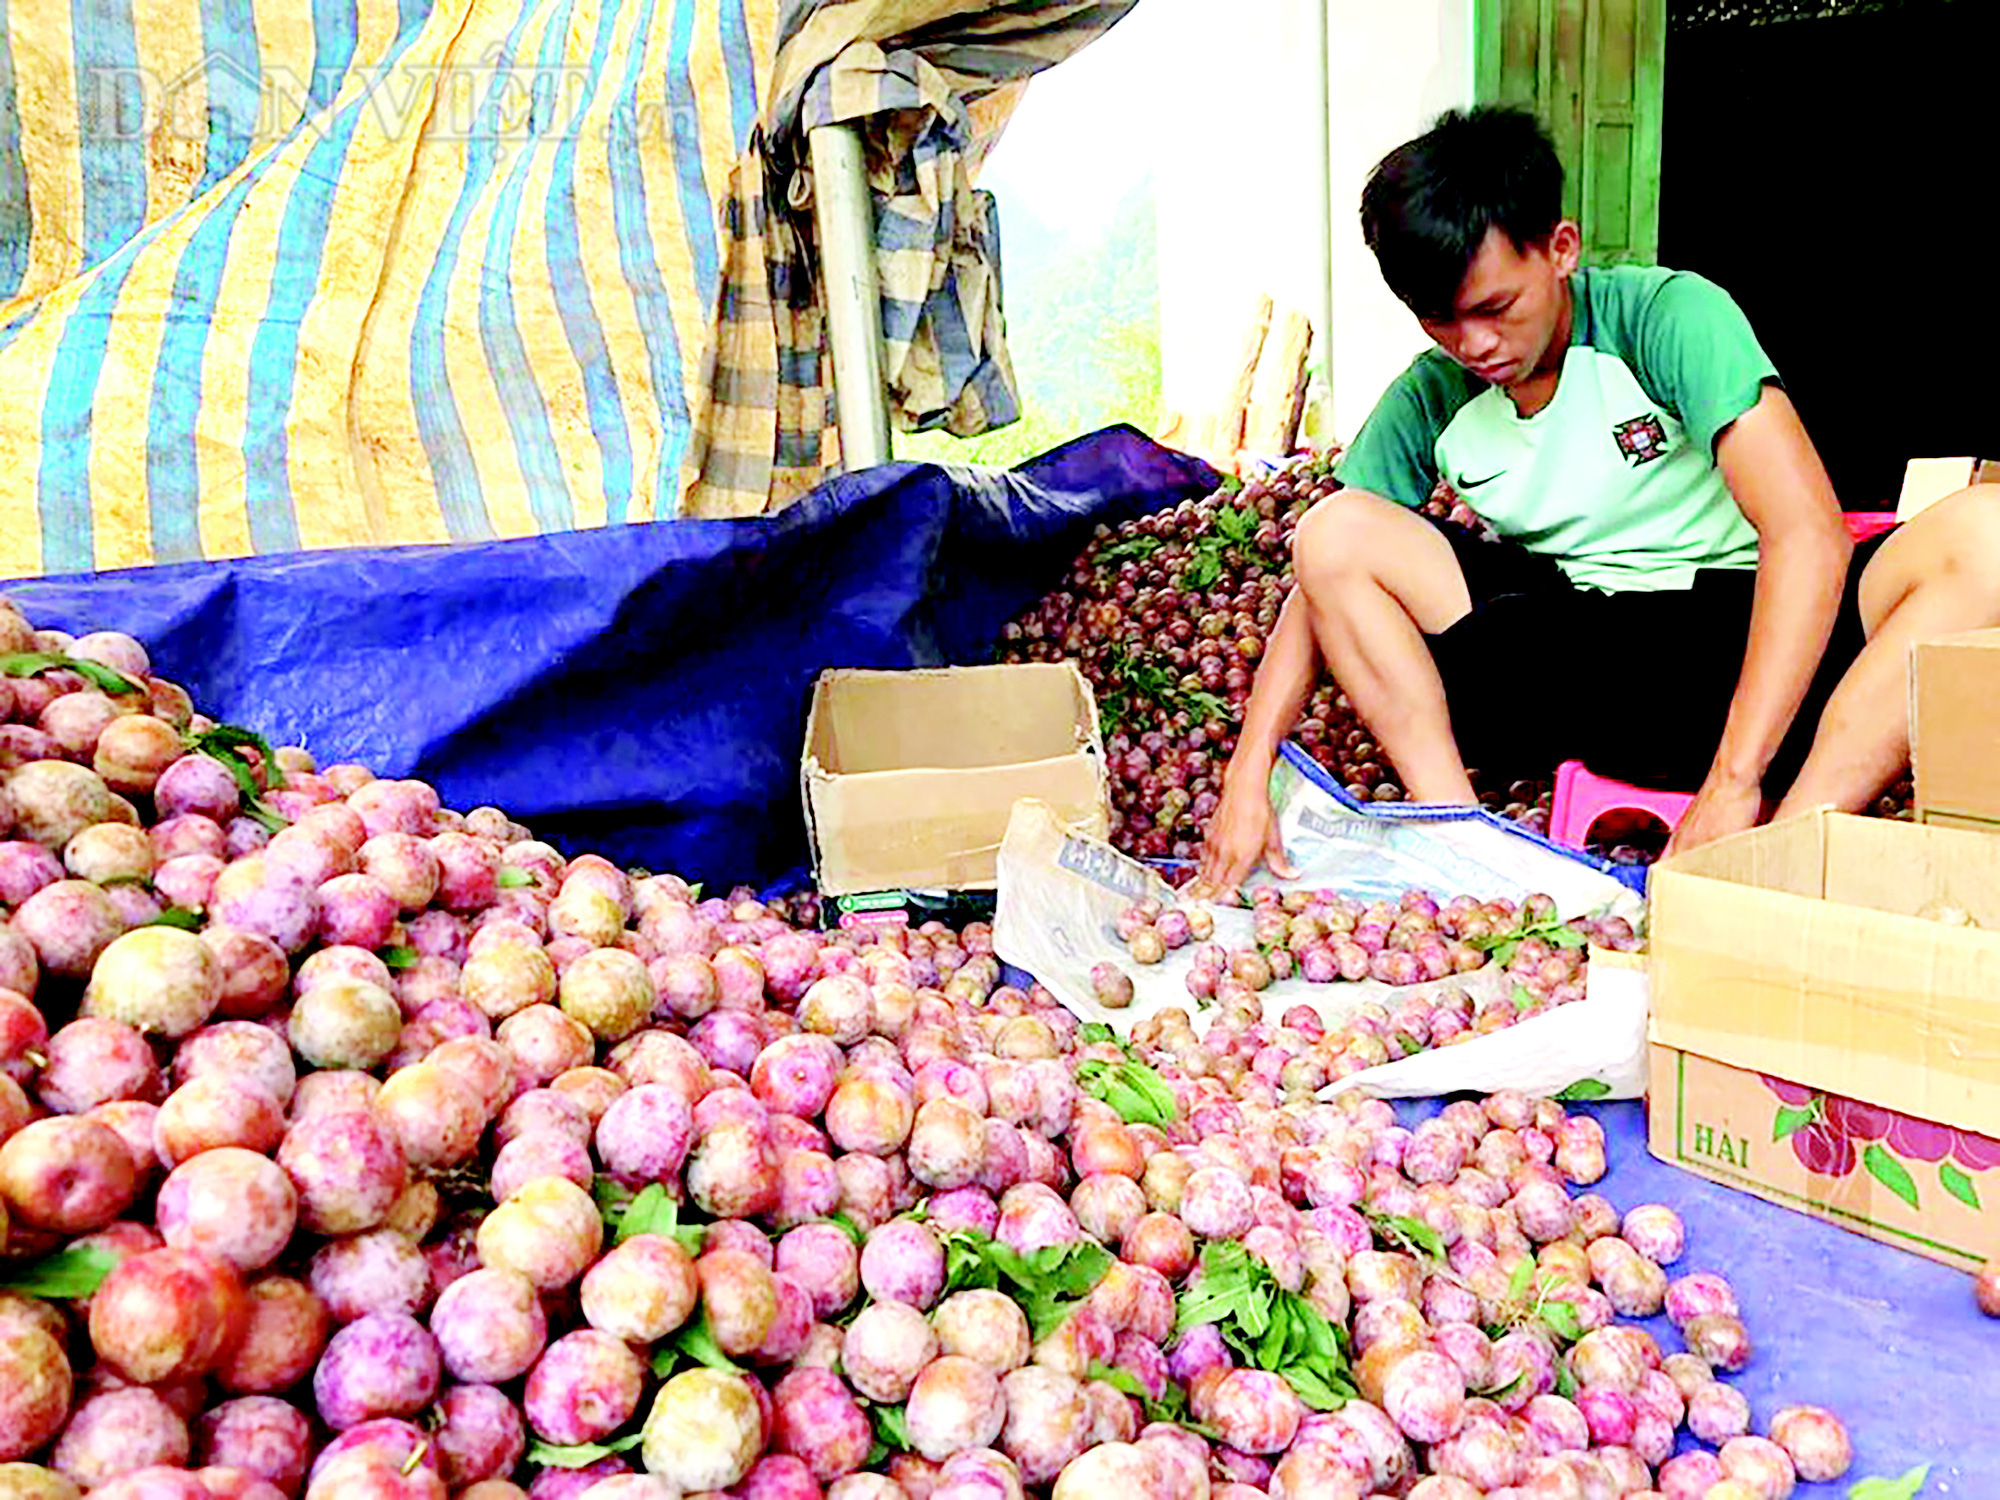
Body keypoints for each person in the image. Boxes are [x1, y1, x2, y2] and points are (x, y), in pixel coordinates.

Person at [1198, 104, 2000, 891]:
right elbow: (1318, 576)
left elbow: (1809, 533)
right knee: (1334, 531)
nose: (1474, 346)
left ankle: (1791, 843)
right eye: (1440, 321)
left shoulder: (1664, 318)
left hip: (1745, 644)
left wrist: (1734, 780)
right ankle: (1464, 844)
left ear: (1561, 248)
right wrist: (1249, 772)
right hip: (1575, 660)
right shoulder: (1432, 397)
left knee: (1989, 532)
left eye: (1495, 309)